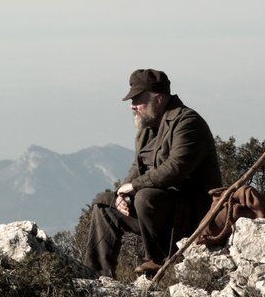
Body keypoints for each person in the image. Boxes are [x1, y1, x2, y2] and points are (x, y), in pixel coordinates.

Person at [85, 69, 222, 277]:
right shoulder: (147, 129)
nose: (132, 106)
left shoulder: (188, 123)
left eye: (138, 100)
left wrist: (135, 187)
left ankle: (159, 260)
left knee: (145, 196)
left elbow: (175, 168)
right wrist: (121, 195)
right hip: (157, 211)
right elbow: (137, 167)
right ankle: (97, 275)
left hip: (193, 213)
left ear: (157, 99)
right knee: (105, 203)